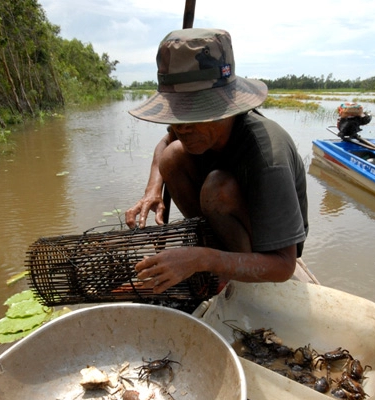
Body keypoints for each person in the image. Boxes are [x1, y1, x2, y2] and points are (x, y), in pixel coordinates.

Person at [126, 28, 308, 295]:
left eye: (194, 114)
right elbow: (165, 143)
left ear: (225, 109)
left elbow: (283, 265)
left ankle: (228, 268)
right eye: (176, 115)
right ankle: (212, 244)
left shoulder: (269, 156)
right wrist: (152, 189)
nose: (182, 128)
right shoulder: (191, 128)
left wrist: (201, 259)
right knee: (172, 156)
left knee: (217, 187)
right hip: (224, 220)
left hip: (266, 247)